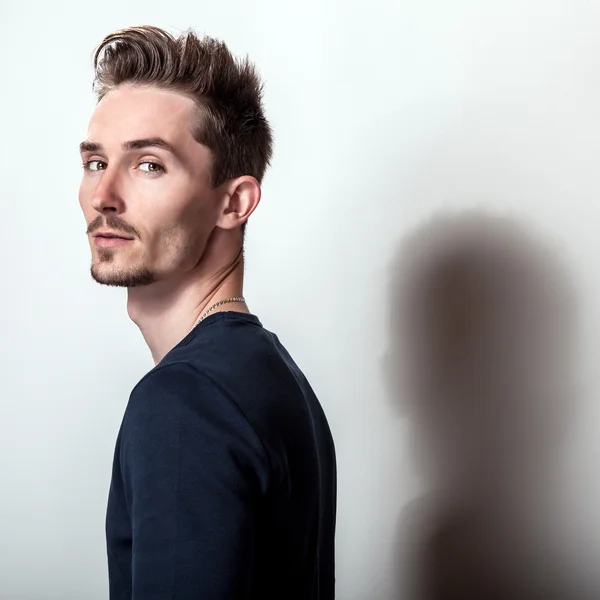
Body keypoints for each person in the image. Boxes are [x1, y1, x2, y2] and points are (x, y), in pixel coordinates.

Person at [78, 25, 337, 600]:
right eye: (96, 162)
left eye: (149, 164)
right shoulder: (270, 376)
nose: (103, 196)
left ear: (233, 202)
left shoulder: (184, 402)